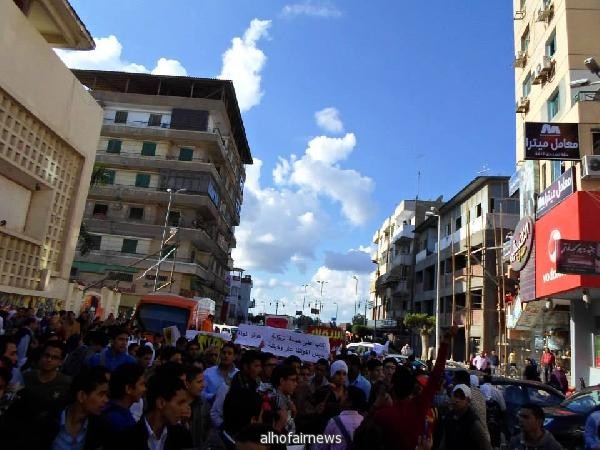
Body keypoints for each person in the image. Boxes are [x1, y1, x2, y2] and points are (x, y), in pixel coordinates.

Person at [373, 326, 456, 450]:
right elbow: (436, 375)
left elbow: (362, 433)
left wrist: (375, 405)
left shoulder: (382, 415)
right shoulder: (420, 406)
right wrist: (445, 342)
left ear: (392, 387)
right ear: (413, 388)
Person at [118, 373, 192, 450]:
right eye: (180, 403)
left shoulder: (182, 435)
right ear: (161, 403)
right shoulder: (127, 439)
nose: (185, 408)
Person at [20, 341, 71, 418]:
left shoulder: (67, 384)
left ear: (61, 362)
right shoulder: (27, 376)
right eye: (46, 355)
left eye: (55, 357)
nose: (49, 360)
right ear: (41, 356)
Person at [212, 349, 261, 428]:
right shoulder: (227, 386)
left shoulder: (257, 386)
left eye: (260, 366)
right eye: (256, 366)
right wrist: (226, 431)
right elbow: (215, 414)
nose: (259, 370)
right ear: (245, 366)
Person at [439, 384, 491, 450]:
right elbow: (444, 442)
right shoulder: (449, 416)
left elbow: (486, 445)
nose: (457, 400)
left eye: (462, 397)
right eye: (455, 396)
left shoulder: (472, 422)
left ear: (468, 401)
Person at [316, 385, 366, 450]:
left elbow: (322, 446)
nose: (341, 396)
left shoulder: (334, 422)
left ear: (349, 403)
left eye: (344, 395)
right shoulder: (364, 421)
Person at [102, 362, 146, 433]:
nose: (145, 389)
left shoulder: (120, 412)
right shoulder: (117, 419)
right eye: (141, 384)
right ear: (128, 389)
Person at [182, 366, 207, 448]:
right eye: (199, 382)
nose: (203, 385)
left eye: (203, 381)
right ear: (187, 384)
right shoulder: (176, 406)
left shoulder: (204, 404)